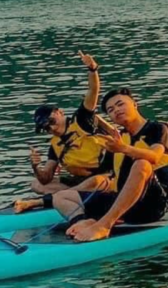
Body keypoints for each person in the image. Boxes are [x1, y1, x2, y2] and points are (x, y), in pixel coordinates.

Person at [55, 87, 168, 242]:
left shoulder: (158, 129)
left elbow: (155, 157)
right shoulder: (117, 140)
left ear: (134, 104)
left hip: (151, 205)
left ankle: (104, 225)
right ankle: (82, 222)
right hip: (122, 204)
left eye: (120, 104)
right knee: (61, 197)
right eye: (111, 109)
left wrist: (123, 148)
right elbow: (101, 174)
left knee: (142, 164)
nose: (116, 110)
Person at [14, 51, 111, 212]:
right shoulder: (55, 145)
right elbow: (45, 179)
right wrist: (36, 166)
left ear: (60, 112)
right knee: (36, 184)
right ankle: (70, 196)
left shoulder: (81, 120)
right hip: (79, 181)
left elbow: (93, 92)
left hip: (105, 176)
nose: (51, 128)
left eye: (51, 122)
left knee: (95, 182)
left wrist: (92, 69)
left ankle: (40, 202)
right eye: (46, 128)